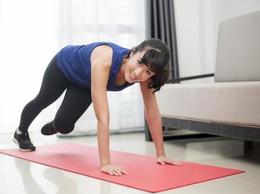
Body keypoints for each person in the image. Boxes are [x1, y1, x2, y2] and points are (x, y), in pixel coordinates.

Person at [13, 38, 182, 176]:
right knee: (43, 100)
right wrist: (106, 163)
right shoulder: (105, 60)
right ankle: (20, 132)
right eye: (138, 63)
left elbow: (152, 113)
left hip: (85, 82)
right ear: (132, 52)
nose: (138, 73)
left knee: (63, 127)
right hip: (64, 66)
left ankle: (56, 124)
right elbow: (103, 117)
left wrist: (161, 154)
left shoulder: (145, 78)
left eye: (148, 72)